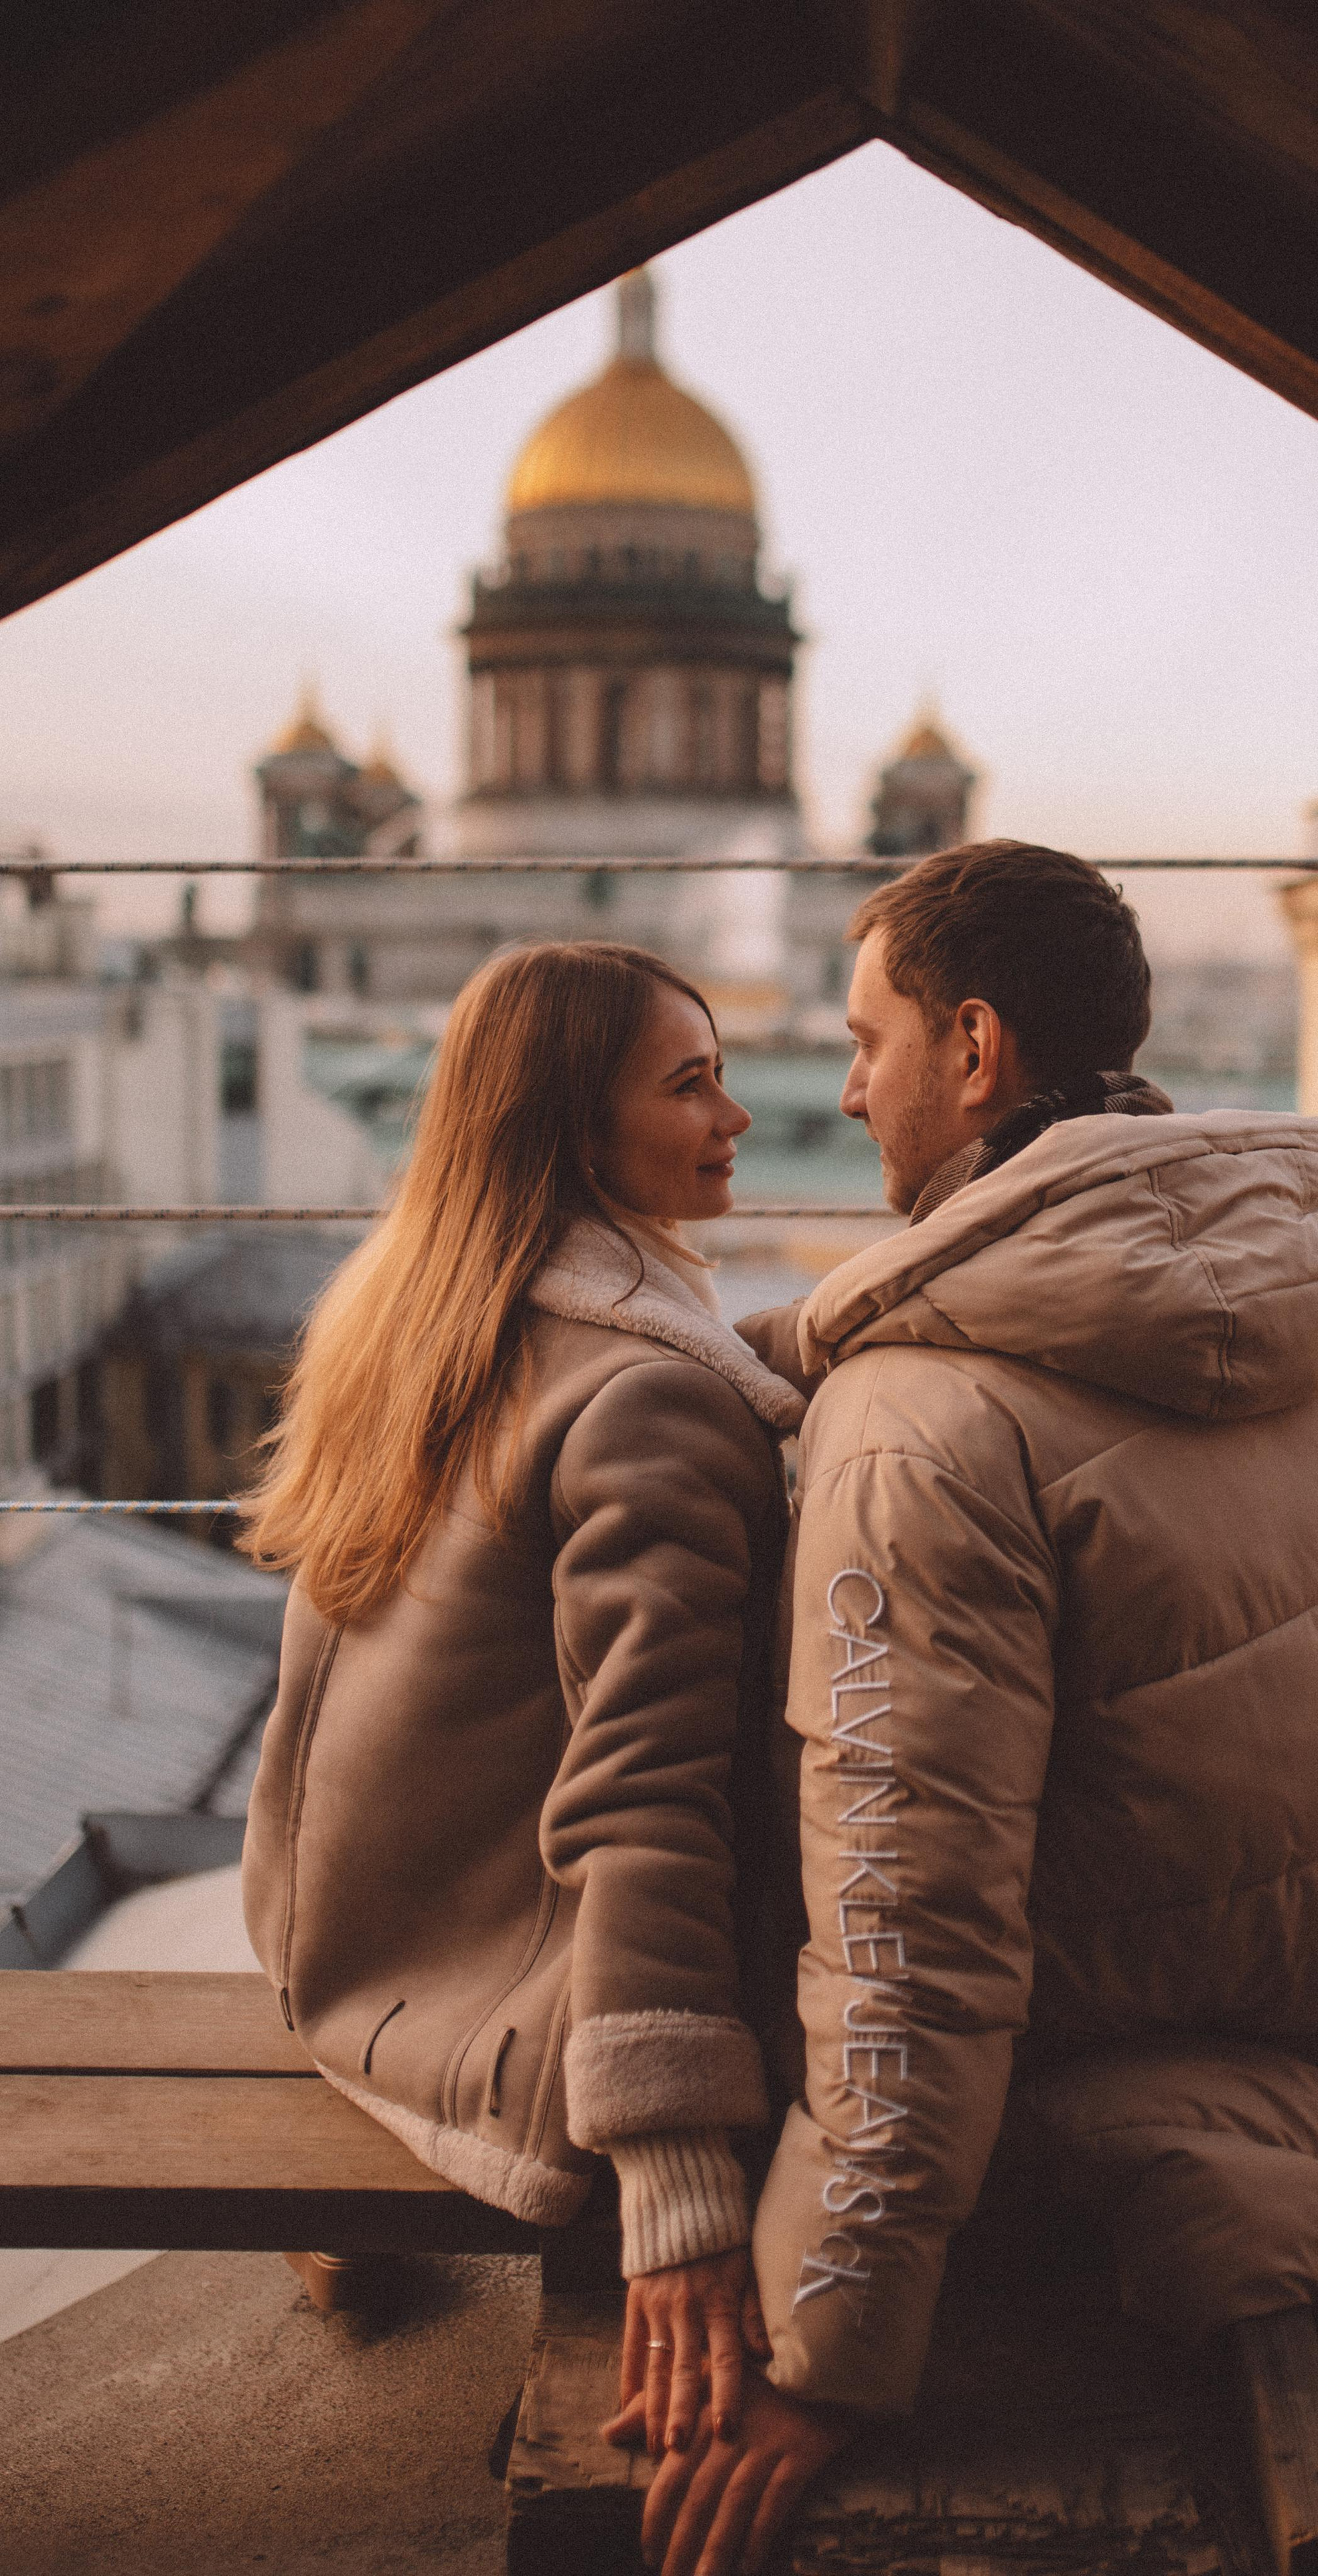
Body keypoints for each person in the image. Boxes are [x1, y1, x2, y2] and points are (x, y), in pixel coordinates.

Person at [634, 841, 1318, 2576]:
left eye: (868, 1042)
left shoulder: (921, 1425)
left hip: (1271, 2138)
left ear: (975, 1048)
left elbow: (909, 1937)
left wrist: (827, 2350)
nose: (845, 1089)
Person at [240, 939, 809, 2455]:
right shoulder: (652, 1398)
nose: (737, 1117)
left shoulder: (418, 1317)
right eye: (690, 1085)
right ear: (574, 1129)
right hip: (508, 2029)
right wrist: (676, 2187)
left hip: (348, 1955)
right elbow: (650, 1796)